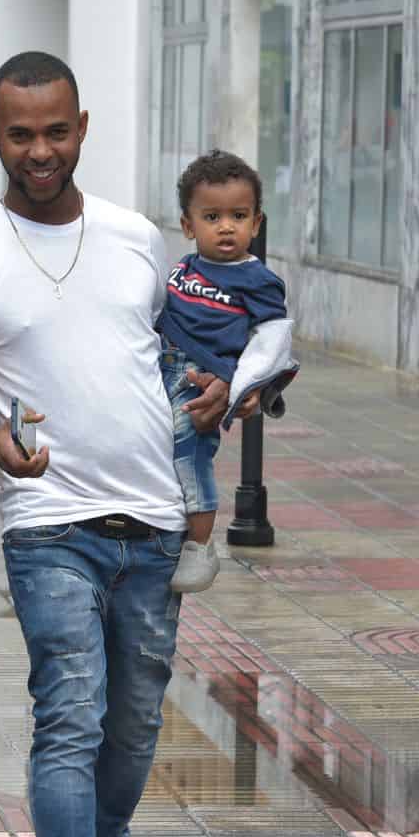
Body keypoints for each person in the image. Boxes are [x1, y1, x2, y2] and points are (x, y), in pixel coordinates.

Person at [0, 51, 254, 837]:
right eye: (20, 134)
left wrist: (231, 382)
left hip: (152, 523)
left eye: (56, 130)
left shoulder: (139, 239)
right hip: (48, 523)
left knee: (135, 722)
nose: (40, 150)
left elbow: (189, 351)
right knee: (70, 709)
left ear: (82, 126)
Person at [156, 150, 283, 591]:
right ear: (189, 226)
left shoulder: (257, 279)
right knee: (157, 451)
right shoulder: (183, 268)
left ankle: (200, 546)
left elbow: (273, 339)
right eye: (212, 216)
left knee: (189, 457)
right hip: (161, 366)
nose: (226, 226)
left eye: (238, 215)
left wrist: (244, 383)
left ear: (256, 223)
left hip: (202, 379)